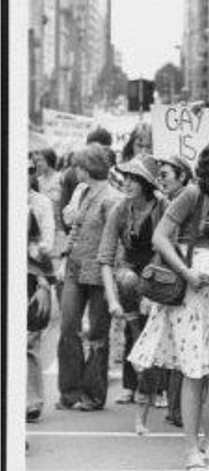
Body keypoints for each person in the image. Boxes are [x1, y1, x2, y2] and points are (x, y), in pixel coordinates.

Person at [132, 134, 209, 470]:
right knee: (194, 370)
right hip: (190, 287)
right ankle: (191, 450)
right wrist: (186, 272)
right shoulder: (193, 192)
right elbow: (160, 237)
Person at [98, 154, 166, 434]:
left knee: (156, 345)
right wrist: (112, 299)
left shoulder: (163, 206)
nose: (126, 183)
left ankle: (162, 395)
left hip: (162, 277)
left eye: (133, 179)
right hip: (129, 280)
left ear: (145, 183)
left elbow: (168, 248)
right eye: (125, 178)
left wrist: (151, 292)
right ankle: (141, 411)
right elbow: (105, 257)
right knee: (139, 343)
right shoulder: (119, 209)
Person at [55, 143, 123, 412]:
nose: (76, 170)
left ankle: (93, 395)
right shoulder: (81, 191)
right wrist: (64, 256)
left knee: (97, 333)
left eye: (79, 166)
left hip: (98, 272)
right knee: (67, 328)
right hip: (74, 267)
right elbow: (75, 229)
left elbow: (116, 241)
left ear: (88, 168)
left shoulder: (112, 198)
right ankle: (69, 392)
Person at [154, 156, 194, 428]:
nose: (161, 179)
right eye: (160, 174)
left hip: (180, 276)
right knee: (178, 344)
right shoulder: (168, 203)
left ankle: (176, 407)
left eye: (166, 174)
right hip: (174, 278)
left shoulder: (186, 199)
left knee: (180, 344)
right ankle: (175, 407)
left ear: (182, 176)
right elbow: (161, 243)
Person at [27, 155, 56, 423]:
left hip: (33, 277)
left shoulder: (41, 203)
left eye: (29, 171)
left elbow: (46, 242)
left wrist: (44, 280)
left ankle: (32, 402)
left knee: (30, 339)